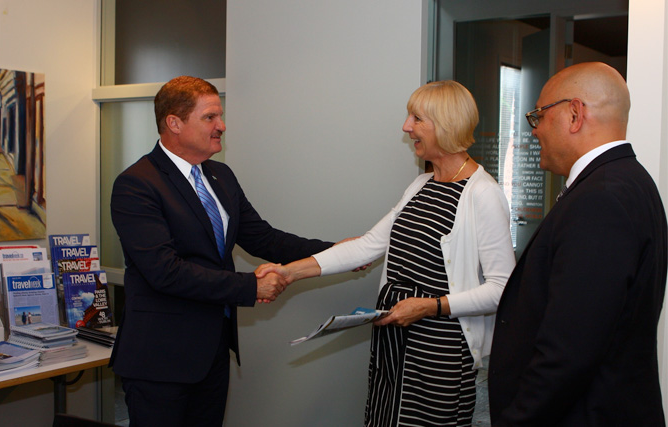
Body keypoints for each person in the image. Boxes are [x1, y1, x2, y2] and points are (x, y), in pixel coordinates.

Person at [258, 80, 516, 426]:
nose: (406, 127)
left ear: (446, 124)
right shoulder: (421, 185)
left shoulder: (482, 194)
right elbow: (367, 245)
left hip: (439, 350)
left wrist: (431, 306)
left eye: (416, 118)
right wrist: (290, 272)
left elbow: (502, 288)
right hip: (394, 339)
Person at [109, 76, 333, 426]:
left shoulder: (221, 176)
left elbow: (264, 239)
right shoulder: (137, 184)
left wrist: (338, 253)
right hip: (160, 359)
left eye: (220, 116)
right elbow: (165, 271)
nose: (222, 126)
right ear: (174, 123)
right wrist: (250, 287)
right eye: (210, 117)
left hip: (212, 352)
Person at [488, 62, 668, 426]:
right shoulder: (629, 181)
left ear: (574, 113)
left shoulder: (600, 199)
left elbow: (568, 353)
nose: (534, 130)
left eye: (538, 116)